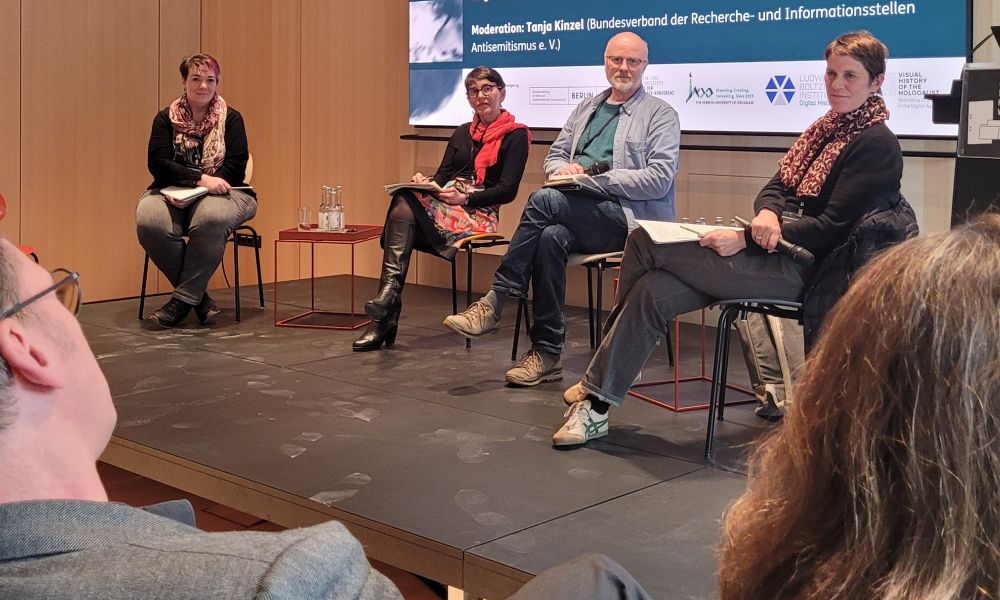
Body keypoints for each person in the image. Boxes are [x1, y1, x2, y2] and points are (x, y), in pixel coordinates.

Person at [0, 239, 653, 599]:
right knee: (597, 580)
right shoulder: (290, 581)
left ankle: (435, 307)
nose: (70, 306)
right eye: (55, 286)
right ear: (25, 350)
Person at [552, 30, 909, 447]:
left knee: (645, 243)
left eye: (850, 76)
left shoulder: (876, 144)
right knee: (652, 289)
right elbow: (776, 186)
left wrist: (747, 238)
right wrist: (766, 215)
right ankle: (597, 404)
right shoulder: (826, 128)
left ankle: (598, 375)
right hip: (775, 249)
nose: (836, 84)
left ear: (876, 82)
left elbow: (831, 229)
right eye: (831, 73)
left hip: (812, 271)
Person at [718, 215, 1000, 600]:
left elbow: (830, 221)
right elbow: (780, 196)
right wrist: (767, 218)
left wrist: (765, 229)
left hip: (815, 267)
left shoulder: (782, 565)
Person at [443, 32, 680, 388]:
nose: (624, 67)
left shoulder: (661, 114)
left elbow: (659, 179)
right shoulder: (586, 109)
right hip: (573, 212)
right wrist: (562, 171)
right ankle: (547, 354)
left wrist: (595, 180)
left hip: (627, 220)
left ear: (645, 66)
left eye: (633, 61)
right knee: (551, 236)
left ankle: (497, 300)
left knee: (543, 201)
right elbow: (554, 156)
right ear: (605, 62)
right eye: (617, 59)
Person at [353, 66, 531, 351]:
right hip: (446, 205)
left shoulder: (517, 136)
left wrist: (466, 198)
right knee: (406, 195)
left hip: (479, 213)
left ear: (502, 92)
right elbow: (440, 177)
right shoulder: (461, 133)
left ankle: (387, 311)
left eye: (487, 89)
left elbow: (507, 191)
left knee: (404, 206)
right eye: (473, 91)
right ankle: (387, 301)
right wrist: (426, 183)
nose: (481, 96)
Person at [135, 53, 257, 328]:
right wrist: (199, 180)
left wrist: (203, 189)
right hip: (172, 191)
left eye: (210, 80)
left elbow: (236, 166)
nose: (203, 86)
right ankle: (198, 298)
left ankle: (182, 301)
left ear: (217, 83)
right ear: (184, 81)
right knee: (149, 220)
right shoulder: (165, 119)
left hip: (229, 191)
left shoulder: (232, 119)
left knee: (210, 218)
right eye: (196, 79)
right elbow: (158, 164)